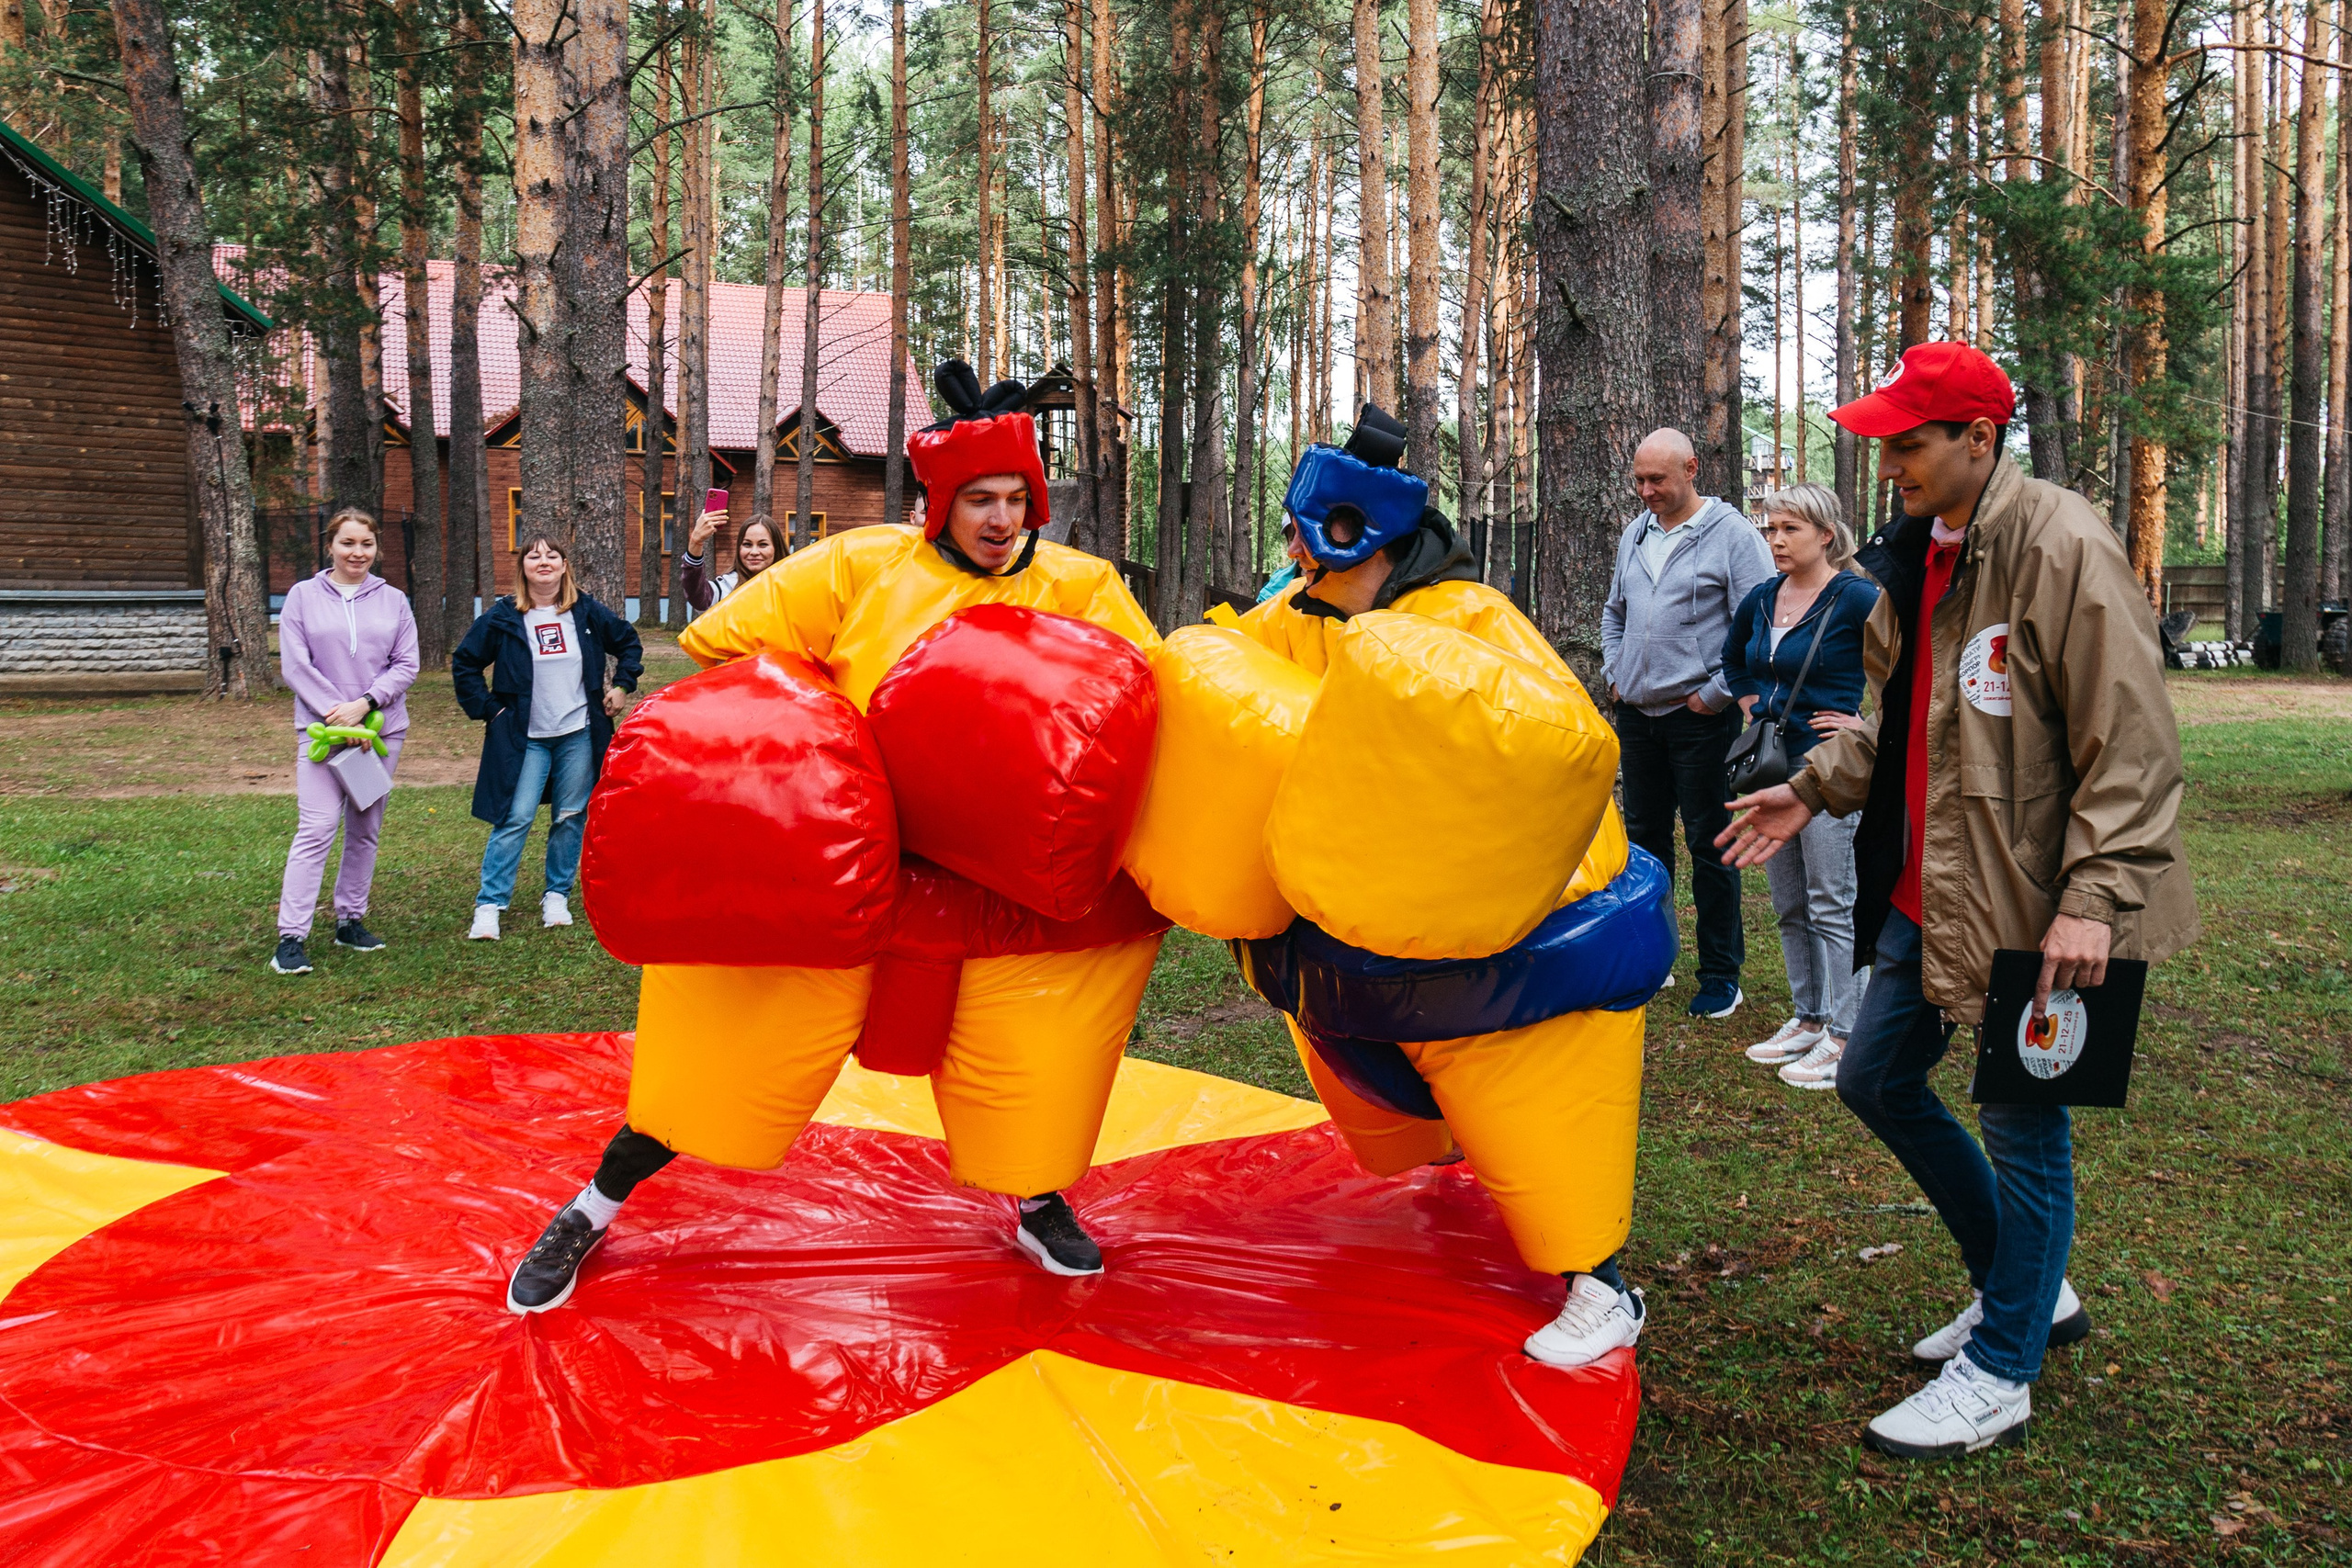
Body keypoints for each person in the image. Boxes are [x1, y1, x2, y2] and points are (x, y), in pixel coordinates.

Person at [503, 360, 1165, 1315]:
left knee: (1028, 1071)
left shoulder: (1083, 586)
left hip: (1007, 885)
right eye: (979, 498)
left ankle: (1036, 1196)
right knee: (715, 1064)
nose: (999, 520)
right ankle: (591, 1209)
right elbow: (729, 644)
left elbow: (1145, 702)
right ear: (940, 501)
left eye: (1016, 499)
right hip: (847, 865)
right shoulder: (864, 567)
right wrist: (820, 751)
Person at [1718, 342, 2199, 1459]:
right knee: (1877, 1077)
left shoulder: (2062, 546)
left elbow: (2131, 745)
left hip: (2041, 905)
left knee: (2027, 1134)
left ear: (1979, 439)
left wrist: (2094, 898)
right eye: (1884, 441)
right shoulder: (1913, 555)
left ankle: (2003, 1368)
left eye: (1911, 440)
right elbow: (1900, 726)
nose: (1889, 460)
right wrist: (1806, 789)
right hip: (1927, 885)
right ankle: (2027, 1287)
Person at [1199, 404, 1671, 1371]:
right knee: (1398, 1088)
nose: (1287, 548)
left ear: (1351, 534)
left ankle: (1603, 1283)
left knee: (1534, 1101)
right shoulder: (1298, 614)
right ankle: (1455, 1150)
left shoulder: (1466, 620)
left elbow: (1556, 748)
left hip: (1530, 924)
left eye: (1301, 530)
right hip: (1363, 918)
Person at [1600, 428, 1775, 1020]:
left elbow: (1759, 623)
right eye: (1639, 481)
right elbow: (1615, 612)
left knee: (1710, 843)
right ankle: (1655, 961)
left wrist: (1717, 693)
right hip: (1638, 715)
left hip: (1700, 718)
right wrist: (1615, 672)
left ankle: (1722, 975)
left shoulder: (1733, 535)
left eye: (1658, 480)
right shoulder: (1636, 532)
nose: (1646, 491)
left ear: (1691, 469)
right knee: (1645, 845)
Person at [1721, 484, 1878, 1089]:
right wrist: (1753, 701)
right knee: (1788, 901)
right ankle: (1810, 1016)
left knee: (1833, 902)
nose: (1776, 540)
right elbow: (1735, 659)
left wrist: (1865, 723)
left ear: (1826, 534)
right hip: (1771, 768)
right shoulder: (1763, 597)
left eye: (1789, 529)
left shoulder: (1857, 598)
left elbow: (1914, 667)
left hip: (1830, 770)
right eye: (1770, 529)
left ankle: (1847, 1032)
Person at [452, 532, 644, 942]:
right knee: (514, 816)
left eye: (552, 555)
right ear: (522, 567)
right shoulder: (503, 617)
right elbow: (465, 663)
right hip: (526, 737)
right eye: (534, 555)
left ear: (563, 566)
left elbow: (628, 642)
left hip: (577, 732)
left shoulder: (586, 611)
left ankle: (556, 895)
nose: (544, 561)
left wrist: (622, 685)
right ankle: (490, 904)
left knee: (570, 816)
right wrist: (491, 710)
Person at [270, 509, 420, 976]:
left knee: (365, 829)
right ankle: (290, 938)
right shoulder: (301, 597)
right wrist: (342, 714)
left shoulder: (394, 600)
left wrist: (367, 706)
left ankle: (350, 920)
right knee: (315, 829)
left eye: (367, 544)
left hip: (379, 735)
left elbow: (406, 663)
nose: (358, 553)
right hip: (323, 732)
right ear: (330, 545)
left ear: (377, 548)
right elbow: (295, 665)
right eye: (348, 543)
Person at [680, 495, 781, 614]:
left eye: (763, 544)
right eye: (747, 544)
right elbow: (696, 595)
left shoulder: (791, 585)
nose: (754, 552)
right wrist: (695, 542)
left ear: (776, 548)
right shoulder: (724, 590)